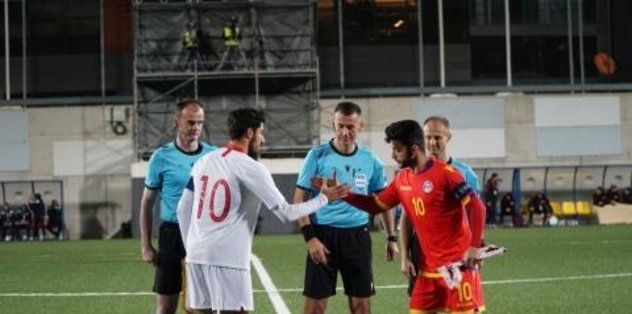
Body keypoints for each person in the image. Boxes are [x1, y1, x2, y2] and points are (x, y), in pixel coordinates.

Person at [176, 108, 349, 313]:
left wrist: (192, 248)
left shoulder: (204, 160)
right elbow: (286, 212)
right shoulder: (251, 167)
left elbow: (182, 209)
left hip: (196, 254)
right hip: (228, 257)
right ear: (249, 133)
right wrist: (324, 198)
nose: (262, 139)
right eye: (261, 133)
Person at [341, 119, 487, 313]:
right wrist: (343, 195)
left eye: (397, 149)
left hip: (458, 269)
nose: (393, 155)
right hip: (427, 272)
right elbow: (376, 205)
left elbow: (477, 206)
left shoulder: (446, 174)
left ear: (414, 149)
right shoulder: (402, 179)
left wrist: (475, 247)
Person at [294, 101, 397, 314]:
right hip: (323, 235)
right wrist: (310, 238)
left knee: (361, 306)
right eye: (340, 125)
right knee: (315, 307)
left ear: (360, 126)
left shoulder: (371, 161)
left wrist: (391, 237)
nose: (344, 132)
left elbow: (383, 202)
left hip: (357, 237)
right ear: (333, 124)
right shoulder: (316, 155)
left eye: (350, 127)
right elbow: (299, 199)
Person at [139, 99, 217, 314]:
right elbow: (147, 203)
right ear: (177, 121)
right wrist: (145, 245)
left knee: (205, 306)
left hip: (203, 233)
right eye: (191, 122)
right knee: (165, 305)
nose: (196, 128)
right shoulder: (161, 157)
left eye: (200, 123)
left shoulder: (213, 155)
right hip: (172, 233)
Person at [399, 116, 484, 311]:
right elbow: (406, 217)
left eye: (437, 137)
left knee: (462, 305)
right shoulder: (412, 172)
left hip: (457, 251)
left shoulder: (465, 173)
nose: (432, 143)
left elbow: (475, 212)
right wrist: (405, 255)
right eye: (428, 137)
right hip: (422, 249)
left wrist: (477, 246)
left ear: (448, 138)